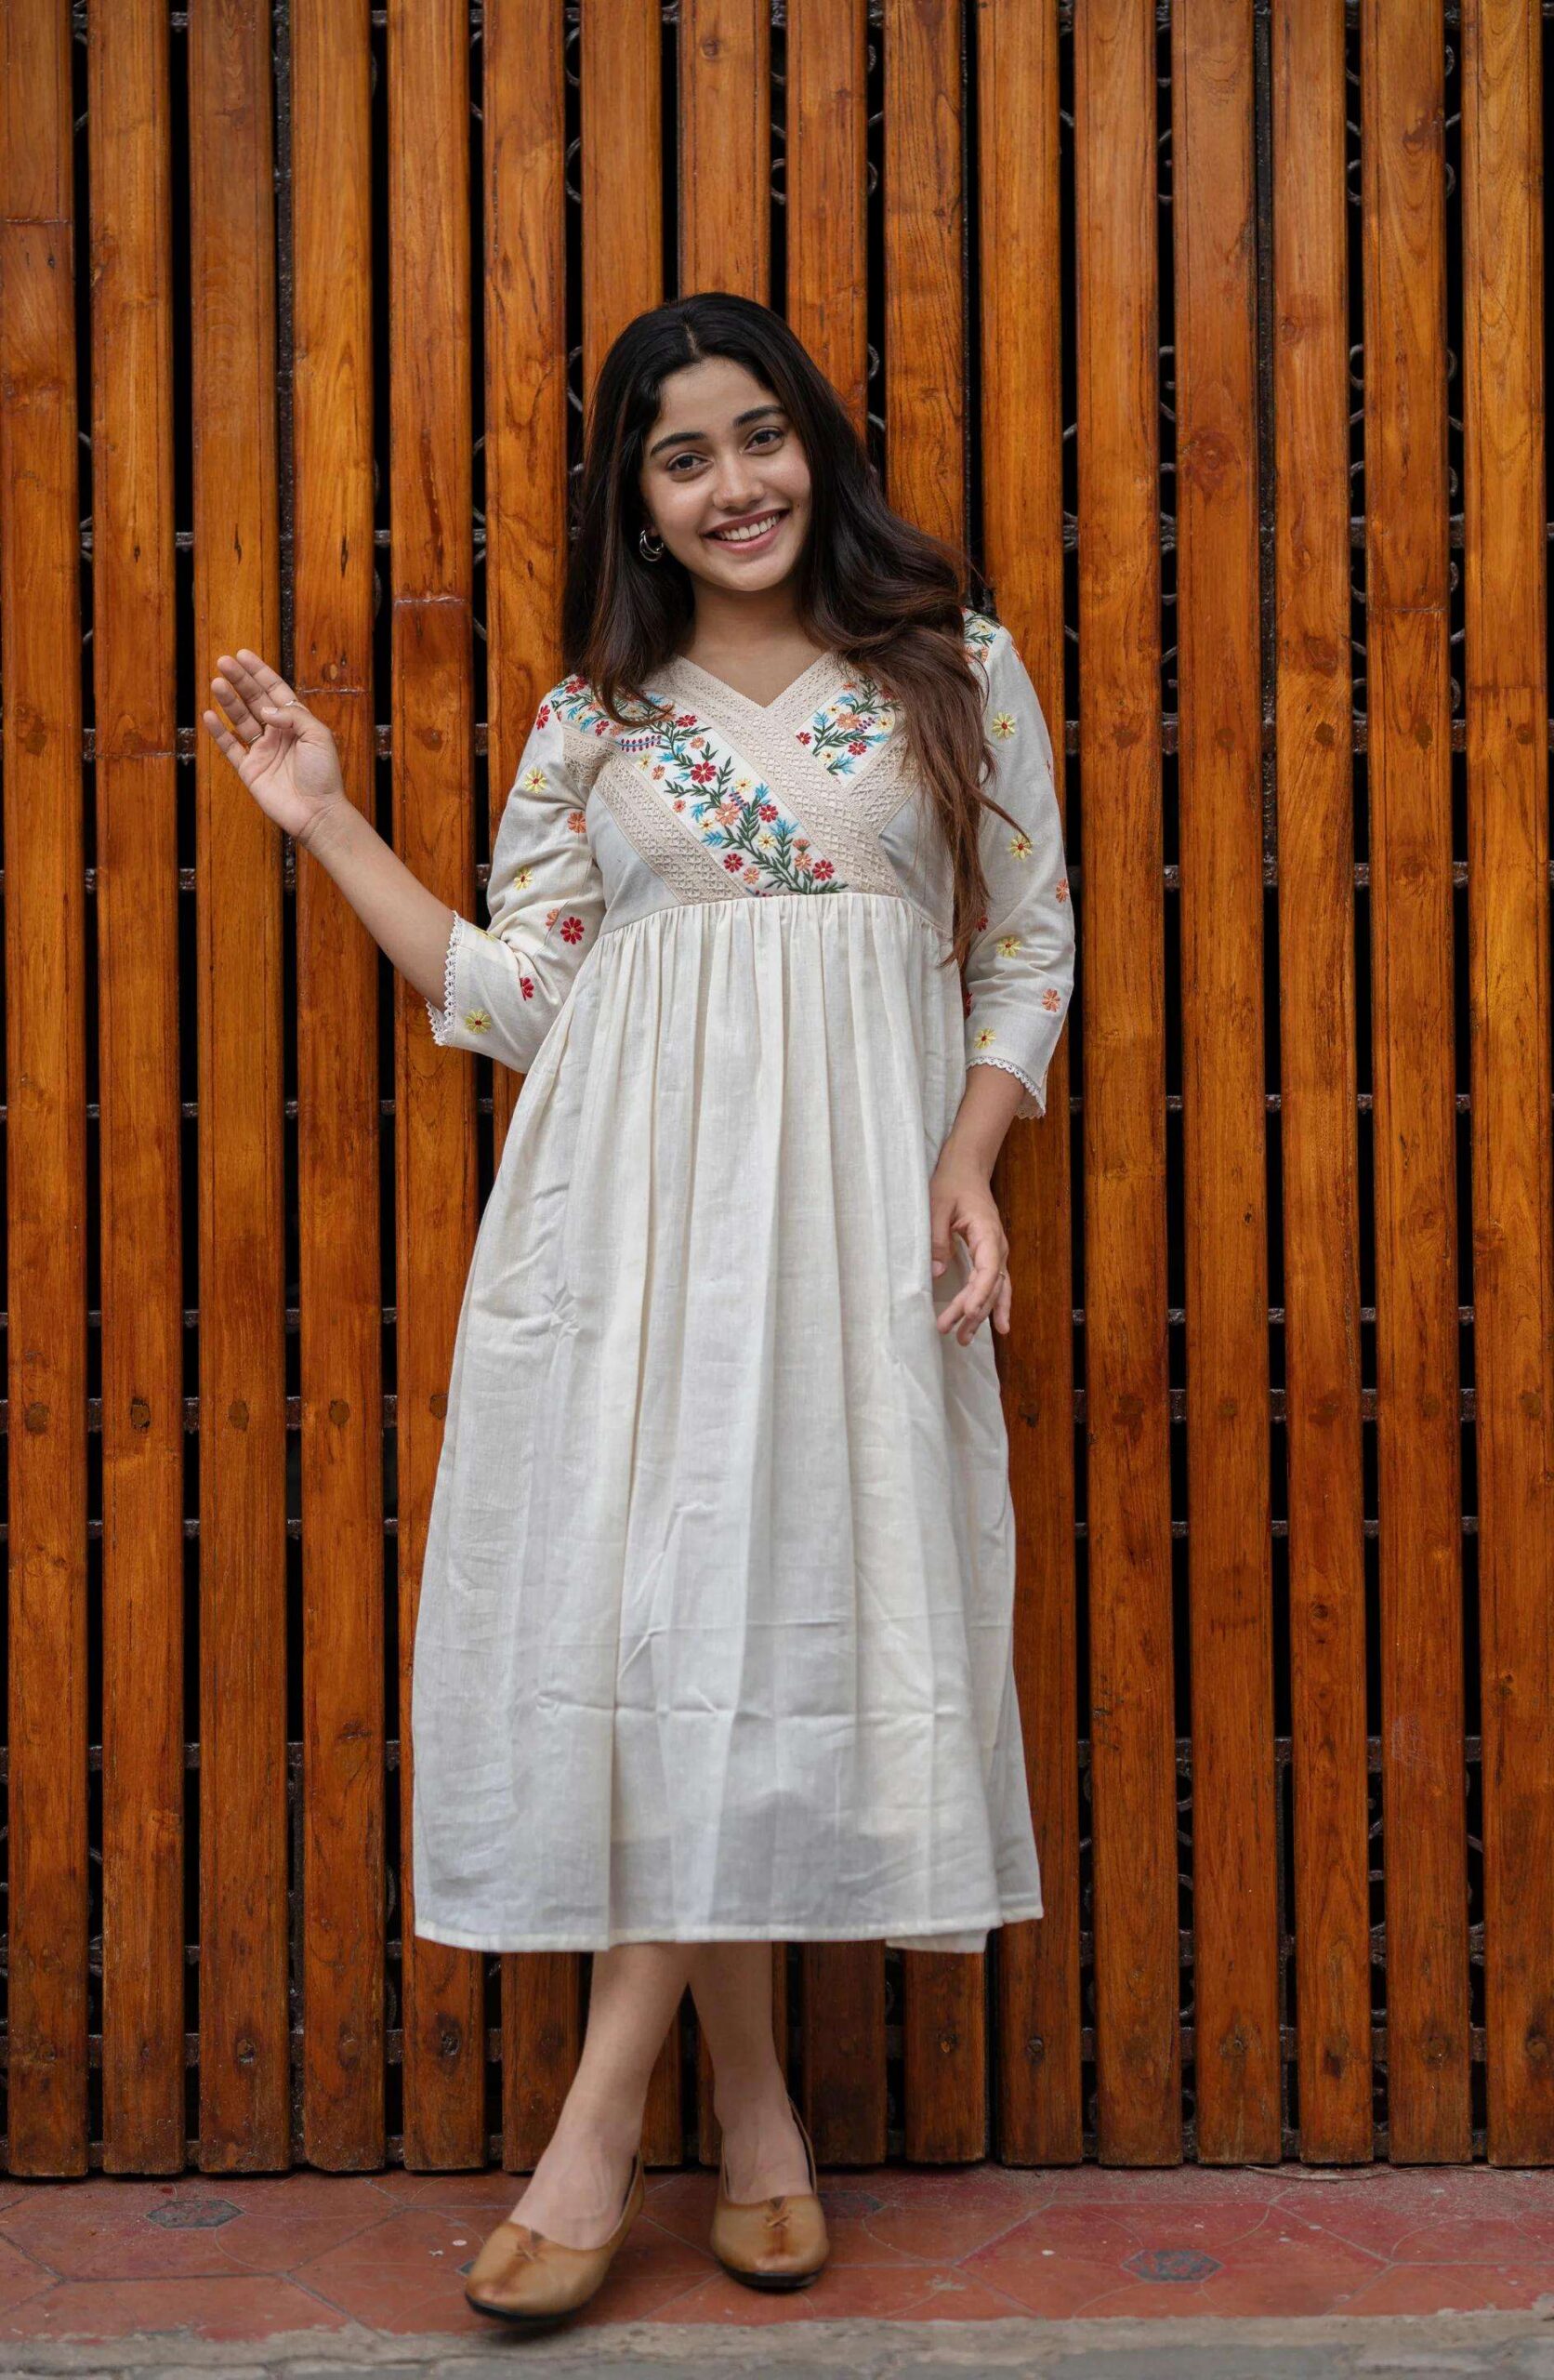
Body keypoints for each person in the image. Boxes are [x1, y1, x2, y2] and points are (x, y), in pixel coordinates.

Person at [202, 290, 1074, 2329]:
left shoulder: (952, 667)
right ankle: (748, 2112)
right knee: (682, 1633)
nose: (732, 484)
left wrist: (966, 1157)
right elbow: (524, 997)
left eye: (759, 435)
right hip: (636, 1234)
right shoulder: (593, 718)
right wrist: (326, 815)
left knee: (759, 1618)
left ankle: (599, 2132)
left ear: (814, 444)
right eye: (683, 457)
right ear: (639, 499)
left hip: (852, 1229)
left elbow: (1022, 945)